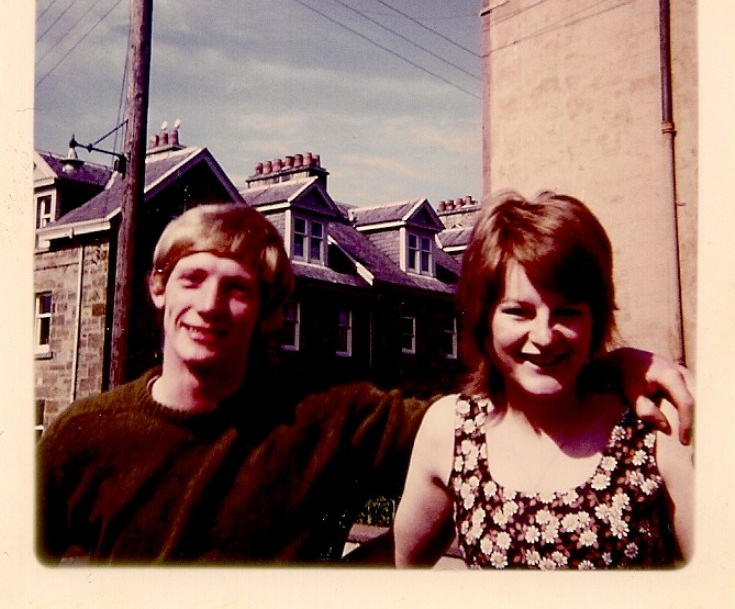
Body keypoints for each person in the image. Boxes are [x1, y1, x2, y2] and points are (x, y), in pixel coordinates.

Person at [38, 203, 693, 564]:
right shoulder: (81, 436)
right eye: (193, 279)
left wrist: (605, 367)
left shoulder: (328, 417)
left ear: (270, 310)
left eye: (238, 289)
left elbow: (491, 417)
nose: (210, 304)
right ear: (157, 287)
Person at [394, 191, 693, 569]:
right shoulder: (451, 430)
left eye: (567, 313)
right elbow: (403, 570)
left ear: (595, 320)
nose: (544, 335)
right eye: (518, 312)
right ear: (484, 319)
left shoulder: (656, 428)